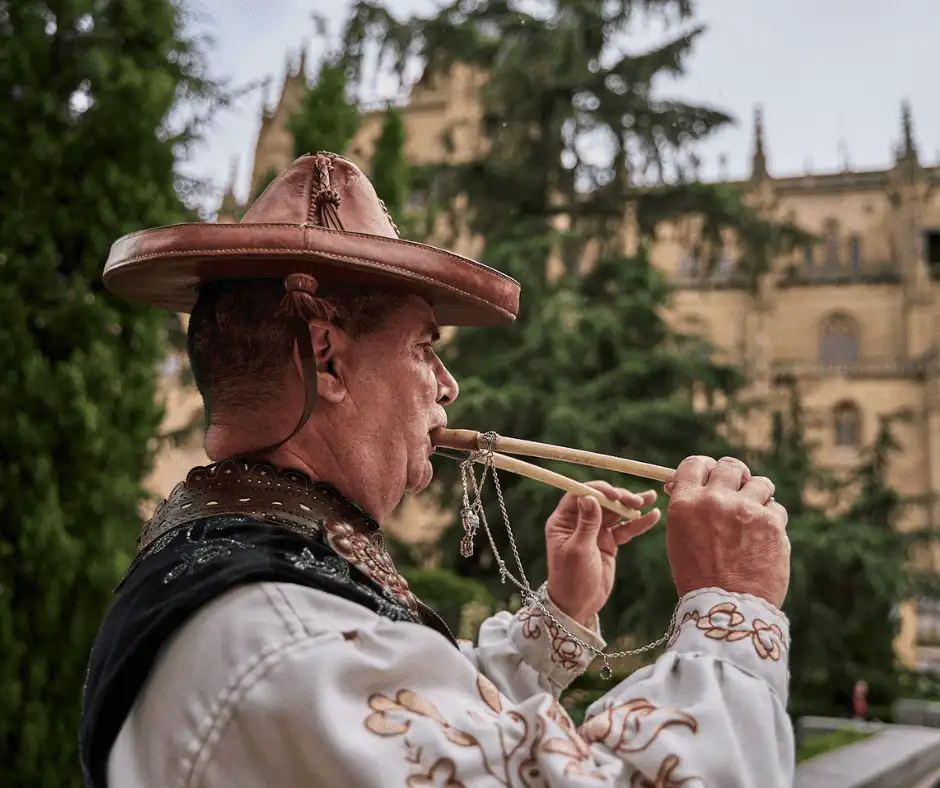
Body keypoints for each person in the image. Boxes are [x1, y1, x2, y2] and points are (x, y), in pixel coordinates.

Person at [80, 152, 793, 787]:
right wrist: (730, 613)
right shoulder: (283, 639)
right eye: (425, 347)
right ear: (325, 356)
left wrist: (561, 615)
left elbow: (424, 729)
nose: (448, 386)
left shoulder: (251, 572)